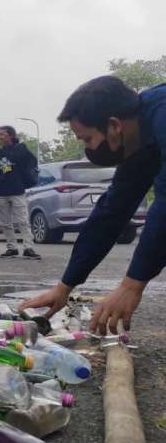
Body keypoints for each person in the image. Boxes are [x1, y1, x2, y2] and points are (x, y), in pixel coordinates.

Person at [19, 75, 166, 336]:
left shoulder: (162, 116)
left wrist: (132, 284)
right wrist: (65, 285)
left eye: (87, 139)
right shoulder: (139, 139)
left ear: (113, 126)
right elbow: (111, 212)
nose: (88, 148)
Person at [0, 125, 42, 260]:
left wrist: (25, 180)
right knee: (6, 223)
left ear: (10, 136)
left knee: (23, 221)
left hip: (17, 191)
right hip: (1, 192)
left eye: (1, 134)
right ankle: (11, 248)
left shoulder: (21, 149)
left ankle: (28, 247)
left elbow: (32, 164)